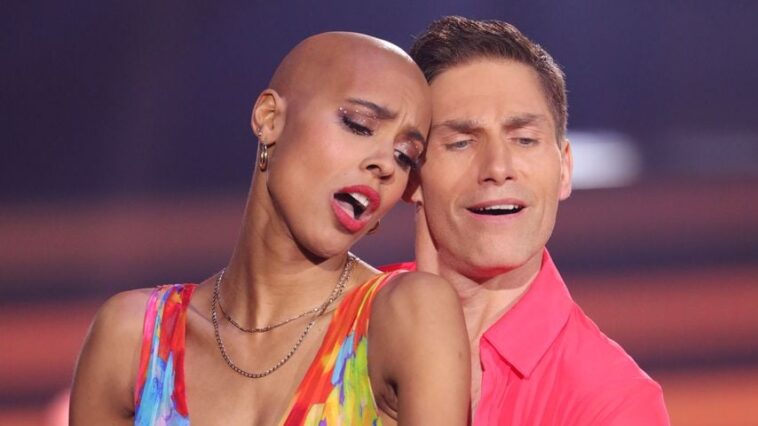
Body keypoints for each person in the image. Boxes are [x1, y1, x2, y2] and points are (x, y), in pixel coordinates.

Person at [69, 32, 470, 425]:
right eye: (359, 124)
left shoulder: (406, 315)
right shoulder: (133, 338)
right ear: (270, 118)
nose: (384, 164)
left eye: (404, 156)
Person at [389, 16, 670, 424]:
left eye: (524, 140)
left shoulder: (614, 403)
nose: (497, 168)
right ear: (411, 174)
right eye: (462, 142)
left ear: (564, 169)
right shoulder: (343, 318)